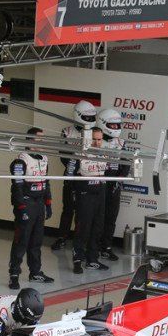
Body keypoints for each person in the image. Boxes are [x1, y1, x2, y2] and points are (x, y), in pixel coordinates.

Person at [9, 127, 53, 289]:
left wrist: (48, 204)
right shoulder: (21, 160)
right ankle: (14, 274)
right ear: (29, 140)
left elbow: (46, 183)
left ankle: (35, 272)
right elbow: (17, 186)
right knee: (22, 240)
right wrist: (21, 206)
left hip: (39, 203)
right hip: (26, 203)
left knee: (36, 241)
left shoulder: (45, 159)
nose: (41, 142)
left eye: (42, 139)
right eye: (37, 139)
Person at [52, 100, 98, 251]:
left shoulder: (96, 133)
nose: (90, 120)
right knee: (68, 208)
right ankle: (61, 237)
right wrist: (74, 165)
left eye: (92, 117)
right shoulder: (67, 131)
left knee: (82, 211)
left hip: (87, 177)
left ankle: (79, 242)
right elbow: (63, 155)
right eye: (87, 117)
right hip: (71, 176)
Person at [69, 127, 109, 274]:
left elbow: (109, 172)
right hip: (85, 192)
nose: (97, 142)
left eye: (99, 139)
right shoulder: (79, 153)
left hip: (100, 191)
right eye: (94, 139)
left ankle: (92, 259)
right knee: (82, 227)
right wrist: (74, 192)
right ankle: (78, 259)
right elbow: (70, 174)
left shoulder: (105, 153)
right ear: (88, 138)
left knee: (98, 226)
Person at [96, 108, 128, 262]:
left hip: (114, 185)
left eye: (117, 125)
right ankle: (93, 247)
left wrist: (119, 180)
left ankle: (106, 247)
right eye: (112, 125)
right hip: (97, 184)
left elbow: (126, 165)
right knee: (96, 218)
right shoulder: (94, 140)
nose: (115, 128)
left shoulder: (122, 143)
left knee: (111, 218)